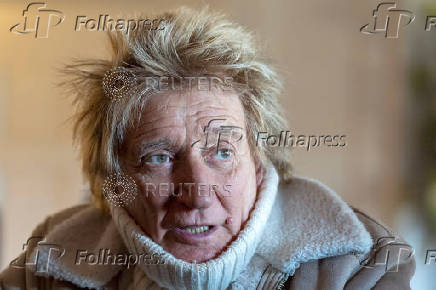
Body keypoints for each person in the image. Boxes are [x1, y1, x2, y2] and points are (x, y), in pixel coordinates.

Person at [0, 7, 415, 290]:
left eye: (221, 153)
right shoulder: (49, 264)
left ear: (258, 158)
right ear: (113, 176)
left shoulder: (360, 265)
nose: (196, 193)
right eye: (159, 158)